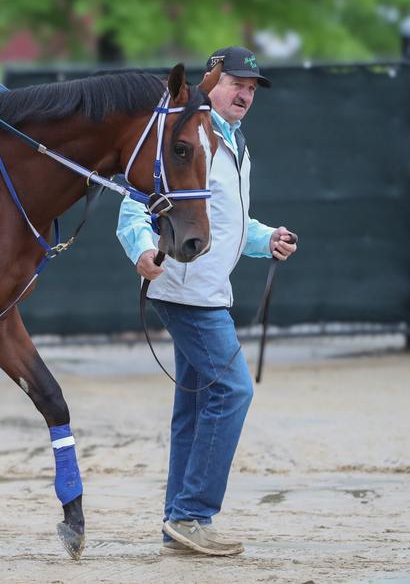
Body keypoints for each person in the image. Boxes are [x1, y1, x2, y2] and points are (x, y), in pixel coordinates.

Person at [115, 46, 298, 556]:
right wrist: (143, 249)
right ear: (211, 81)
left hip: (207, 292)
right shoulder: (187, 133)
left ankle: (178, 519)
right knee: (233, 391)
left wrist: (267, 240)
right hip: (185, 291)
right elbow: (133, 204)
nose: (245, 94)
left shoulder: (234, 142)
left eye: (252, 88)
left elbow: (228, 221)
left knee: (195, 407)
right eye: (237, 83)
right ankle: (194, 514)